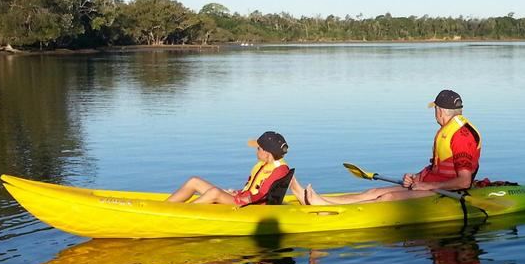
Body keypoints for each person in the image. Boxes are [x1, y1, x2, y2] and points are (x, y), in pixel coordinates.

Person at [297, 89, 480, 205]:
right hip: (431, 185)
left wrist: (426, 185)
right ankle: (322, 202)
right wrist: (417, 177)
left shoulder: (461, 136)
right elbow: (439, 167)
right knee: (374, 192)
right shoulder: (449, 130)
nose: (435, 113)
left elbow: (464, 181)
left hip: (448, 192)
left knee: (387, 199)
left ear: (440, 111)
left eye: (435, 109)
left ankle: (326, 210)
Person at [166, 131, 295, 206]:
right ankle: (163, 207)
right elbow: (252, 188)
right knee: (194, 181)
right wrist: (237, 193)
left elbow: (262, 195)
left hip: (252, 206)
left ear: (267, 153)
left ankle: (179, 214)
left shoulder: (279, 170)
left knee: (214, 193)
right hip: (244, 197)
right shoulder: (263, 164)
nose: (256, 151)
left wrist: (241, 198)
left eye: (258, 148)